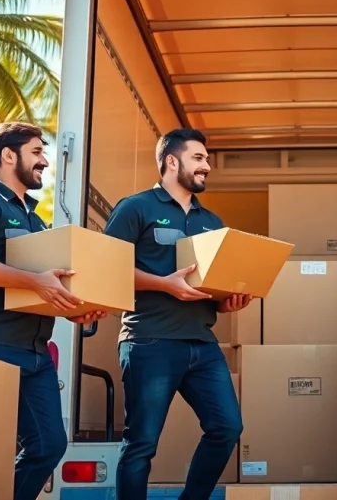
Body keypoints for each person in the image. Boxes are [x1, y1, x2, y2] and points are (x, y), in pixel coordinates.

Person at [0, 122, 106, 500]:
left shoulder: (37, 221)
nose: (45, 162)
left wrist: (75, 310)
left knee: (49, 446)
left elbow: (43, 284)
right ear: (7, 155)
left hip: (35, 355)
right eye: (36, 152)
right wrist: (35, 281)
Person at [104, 127, 250, 500]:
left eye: (207, 159)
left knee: (227, 427)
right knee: (142, 444)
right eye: (198, 158)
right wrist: (164, 283)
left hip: (202, 343)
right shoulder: (136, 208)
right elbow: (104, 269)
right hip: (150, 340)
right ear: (172, 161)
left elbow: (211, 285)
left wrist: (228, 300)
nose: (208, 166)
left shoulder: (212, 222)